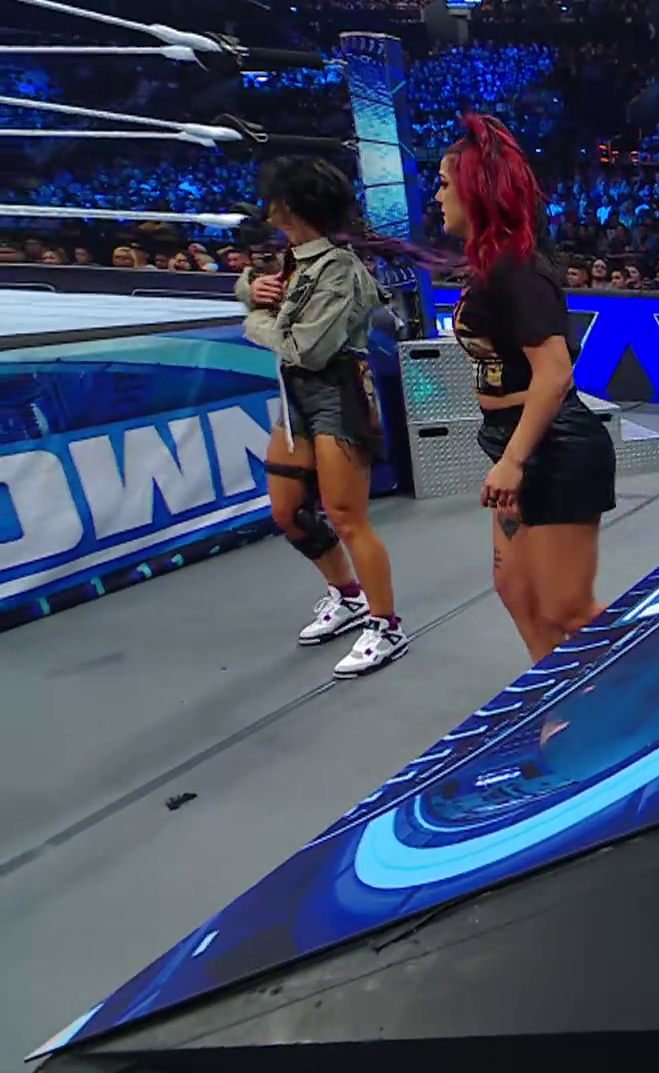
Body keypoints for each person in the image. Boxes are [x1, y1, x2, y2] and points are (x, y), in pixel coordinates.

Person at [438, 114, 617, 662]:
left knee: (568, 609)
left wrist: (513, 461)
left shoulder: (518, 270)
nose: (437, 196)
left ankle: (652, 691)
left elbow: (555, 373)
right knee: (515, 589)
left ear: (474, 191)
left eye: (444, 184)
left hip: (554, 449)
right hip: (513, 440)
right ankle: (557, 697)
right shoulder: (492, 265)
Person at [239, 155, 407, 678]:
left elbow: (307, 349)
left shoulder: (338, 267)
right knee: (289, 510)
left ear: (291, 205)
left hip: (337, 391)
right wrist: (250, 288)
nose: (265, 206)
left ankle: (387, 625)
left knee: (347, 516)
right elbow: (262, 293)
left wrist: (253, 321)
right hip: (295, 395)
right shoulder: (290, 260)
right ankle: (347, 594)